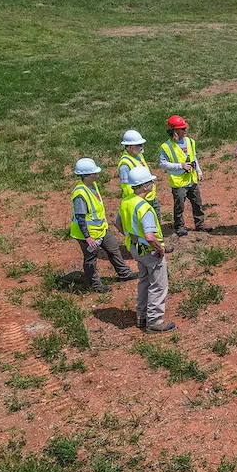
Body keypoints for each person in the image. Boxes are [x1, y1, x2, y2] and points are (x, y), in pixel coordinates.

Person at [119, 166, 175, 333]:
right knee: (158, 284)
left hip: (135, 247)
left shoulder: (126, 201)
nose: (152, 184)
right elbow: (150, 236)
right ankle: (155, 322)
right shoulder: (144, 208)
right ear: (144, 186)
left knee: (144, 280)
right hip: (149, 250)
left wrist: (132, 236)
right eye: (150, 182)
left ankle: (141, 316)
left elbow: (117, 223)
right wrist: (160, 249)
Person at [69, 158, 136, 293]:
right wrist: (87, 237)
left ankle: (124, 273)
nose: (97, 175)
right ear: (86, 175)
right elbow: (81, 218)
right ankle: (94, 285)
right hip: (88, 234)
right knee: (91, 259)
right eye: (94, 173)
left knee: (113, 247)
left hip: (101, 229)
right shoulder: (80, 194)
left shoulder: (92, 185)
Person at [159, 115, 209, 237]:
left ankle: (200, 224)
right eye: (182, 128)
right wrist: (180, 166)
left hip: (191, 179)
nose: (185, 130)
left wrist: (199, 171)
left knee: (197, 203)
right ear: (175, 131)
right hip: (179, 183)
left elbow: (194, 157)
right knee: (179, 206)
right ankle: (179, 226)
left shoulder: (190, 142)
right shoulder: (166, 147)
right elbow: (162, 164)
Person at [118, 130, 159, 215]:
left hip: (150, 197)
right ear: (130, 147)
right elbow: (126, 188)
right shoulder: (125, 165)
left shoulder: (139, 155)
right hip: (142, 200)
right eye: (139, 145)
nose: (141, 147)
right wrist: (138, 202)